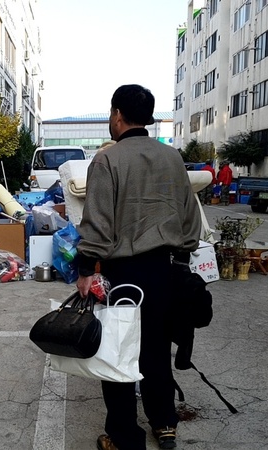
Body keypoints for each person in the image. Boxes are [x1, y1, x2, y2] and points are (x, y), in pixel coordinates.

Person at [75, 84, 202, 450]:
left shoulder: (108, 159)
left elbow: (97, 223)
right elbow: (189, 217)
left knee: (118, 354)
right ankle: (164, 423)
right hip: (165, 271)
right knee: (157, 348)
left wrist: (85, 270)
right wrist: (183, 258)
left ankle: (124, 437)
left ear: (117, 115)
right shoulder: (172, 157)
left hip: (124, 275)